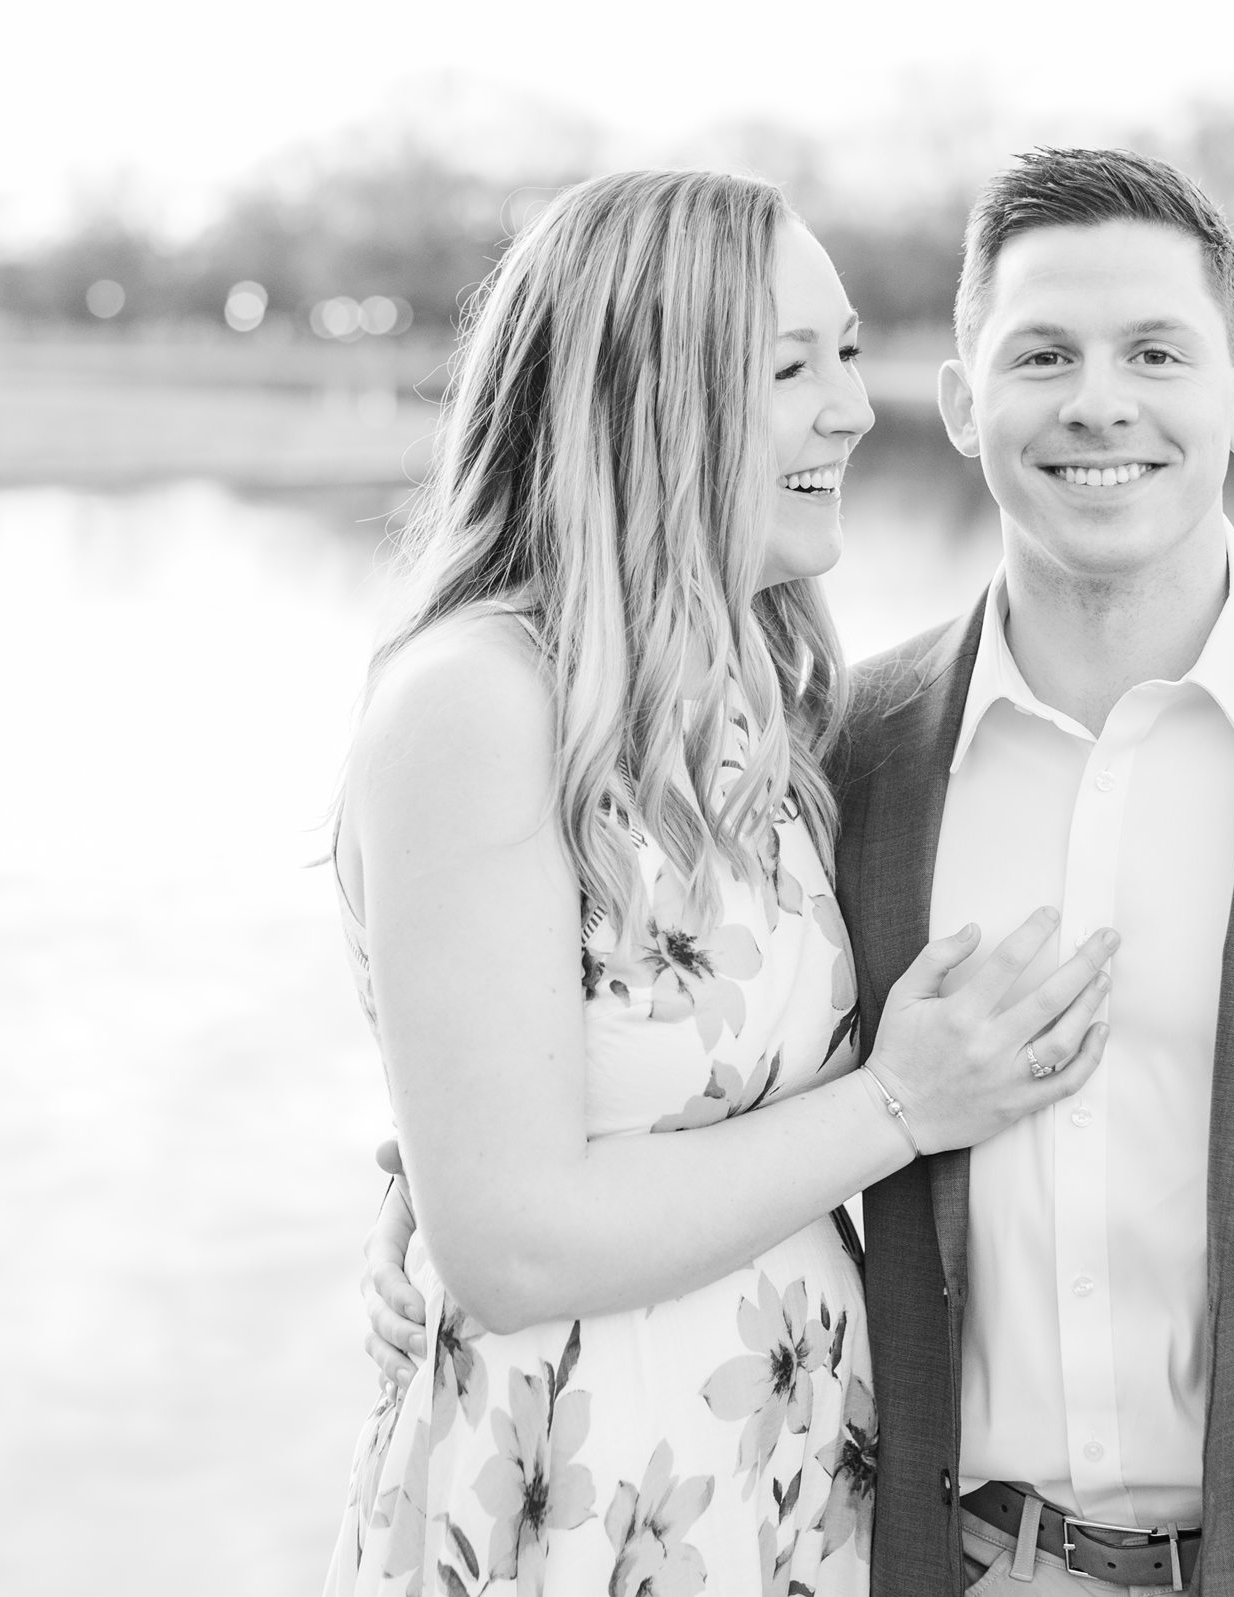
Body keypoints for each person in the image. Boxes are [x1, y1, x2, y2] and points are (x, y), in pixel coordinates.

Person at [365, 149, 1234, 1597]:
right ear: (966, 405)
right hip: (897, 1549)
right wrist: (429, 1181)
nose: (1101, 401)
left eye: (1156, 350)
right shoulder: (838, 752)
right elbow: (609, 1042)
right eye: (1043, 354)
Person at [324, 168, 1121, 1597]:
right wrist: (900, 1101)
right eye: (790, 367)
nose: (852, 408)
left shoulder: (760, 695)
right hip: (579, 1507)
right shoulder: (478, 700)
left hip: (775, 1489)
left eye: (851, 353)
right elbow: (508, 1239)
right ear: (648, 397)